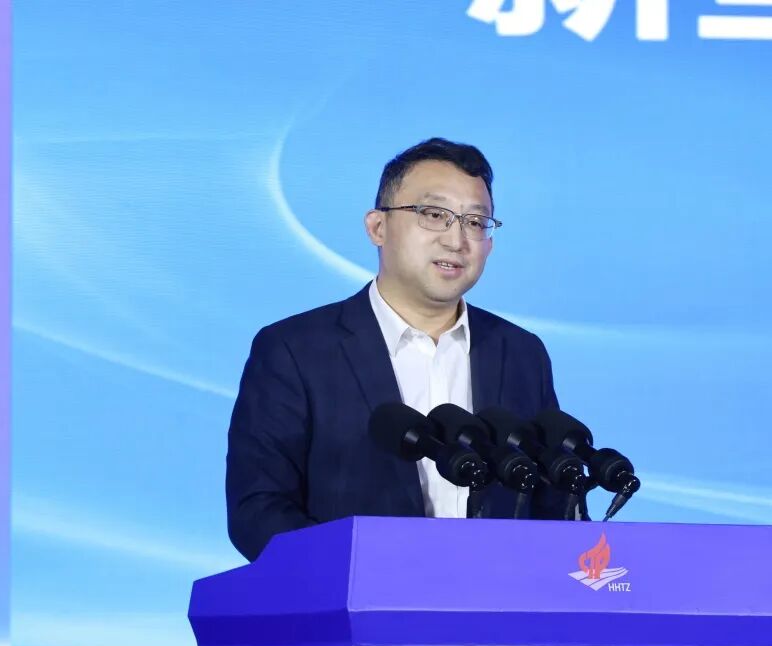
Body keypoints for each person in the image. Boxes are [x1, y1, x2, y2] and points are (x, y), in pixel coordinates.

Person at [226, 137, 581, 565]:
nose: (457, 240)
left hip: (496, 601)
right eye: (434, 215)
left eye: (475, 222)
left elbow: (551, 503)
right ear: (378, 227)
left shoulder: (521, 353)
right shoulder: (295, 350)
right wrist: (360, 575)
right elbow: (258, 509)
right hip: (356, 600)